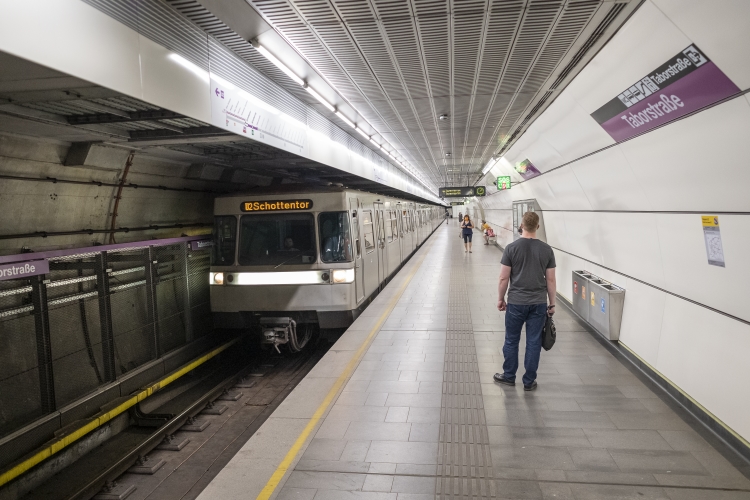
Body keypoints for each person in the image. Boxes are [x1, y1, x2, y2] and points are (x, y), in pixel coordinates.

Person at [494, 211, 556, 391]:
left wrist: (500, 298)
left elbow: (503, 278)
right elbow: (550, 280)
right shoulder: (547, 250)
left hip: (516, 302)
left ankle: (509, 376)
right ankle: (529, 381)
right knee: (534, 342)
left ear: (521, 226)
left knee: (512, 340)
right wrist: (551, 304)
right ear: (537, 226)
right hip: (538, 304)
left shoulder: (511, 248)